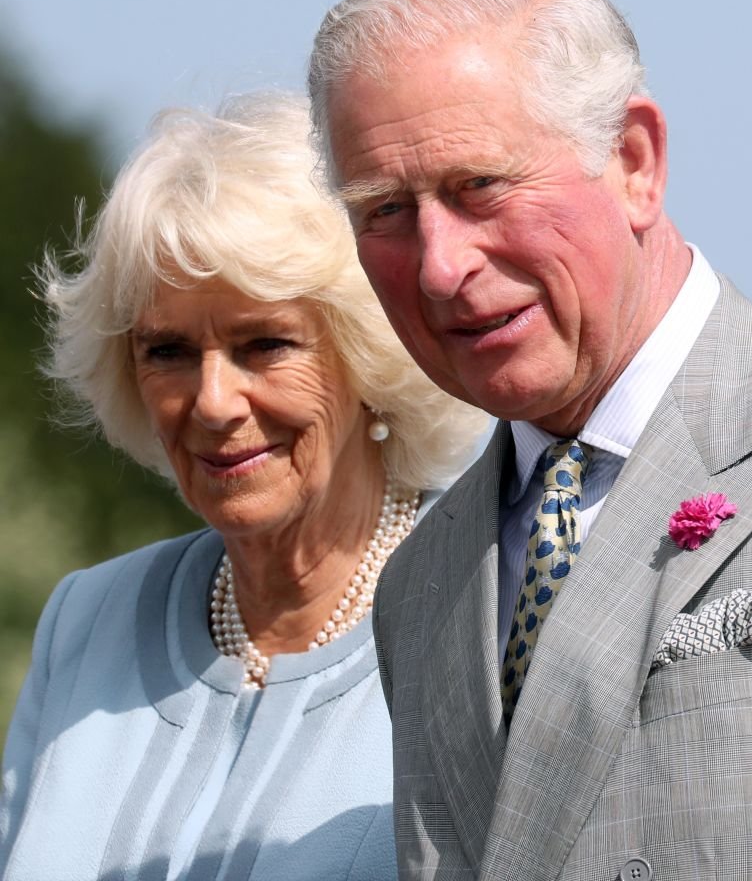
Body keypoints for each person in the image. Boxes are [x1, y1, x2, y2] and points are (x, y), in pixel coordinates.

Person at [308, 0, 752, 880]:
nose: (439, 265)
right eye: (385, 210)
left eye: (481, 187)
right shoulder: (420, 587)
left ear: (633, 161)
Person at [0, 91, 488, 881]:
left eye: (264, 343)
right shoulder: (84, 624)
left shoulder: (487, 621)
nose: (214, 401)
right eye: (168, 351)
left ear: (369, 355)